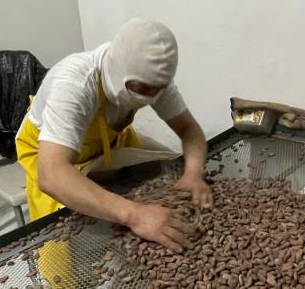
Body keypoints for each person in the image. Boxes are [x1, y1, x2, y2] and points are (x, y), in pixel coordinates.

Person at [16, 18, 212, 253]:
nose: (149, 98)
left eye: (156, 91)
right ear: (118, 71)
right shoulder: (74, 85)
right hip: (51, 156)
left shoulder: (154, 81)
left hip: (108, 142)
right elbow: (52, 174)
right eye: (140, 90)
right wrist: (135, 215)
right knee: (65, 248)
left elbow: (189, 130)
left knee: (132, 219)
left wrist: (193, 173)